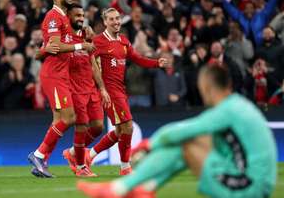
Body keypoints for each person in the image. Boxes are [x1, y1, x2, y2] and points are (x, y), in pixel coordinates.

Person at [77, 64, 277, 198]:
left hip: (250, 188)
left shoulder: (227, 110)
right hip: (251, 179)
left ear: (206, 86)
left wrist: (150, 144)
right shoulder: (237, 105)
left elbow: (180, 131)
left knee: (187, 144)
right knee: (193, 144)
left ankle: (120, 188)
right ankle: (143, 189)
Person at [85, 8, 168, 176]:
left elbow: (137, 58)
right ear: (105, 22)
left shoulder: (123, 41)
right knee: (128, 127)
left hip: (120, 90)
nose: (116, 22)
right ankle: (125, 167)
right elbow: (88, 64)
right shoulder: (98, 41)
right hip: (109, 92)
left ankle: (89, 155)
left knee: (119, 131)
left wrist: (156, 63)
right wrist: (98, 89)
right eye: (111, 19)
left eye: (117, 18)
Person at [27, 0, 95, 178]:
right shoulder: (53, 16)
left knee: (59, 120)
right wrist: (80, 45)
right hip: (54, 74)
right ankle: (39, 155)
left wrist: (85, 34)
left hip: (61, 74)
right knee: (69, 118)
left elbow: (49, 46)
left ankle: (41, 161)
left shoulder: (63, 18)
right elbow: (55, 46)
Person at [37, 3, 111, 177]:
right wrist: (43, 49)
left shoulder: (86, 35)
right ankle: (80, 166)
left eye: (82, 15)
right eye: (77, 15)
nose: (81, 18)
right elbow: (42, 52)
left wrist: (101, 88)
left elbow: (93, 64)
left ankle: (71, 153)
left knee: (98, 127)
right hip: (74, 88)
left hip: (90, 88)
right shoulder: (62, 37)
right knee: (80, 126)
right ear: (68, 17)